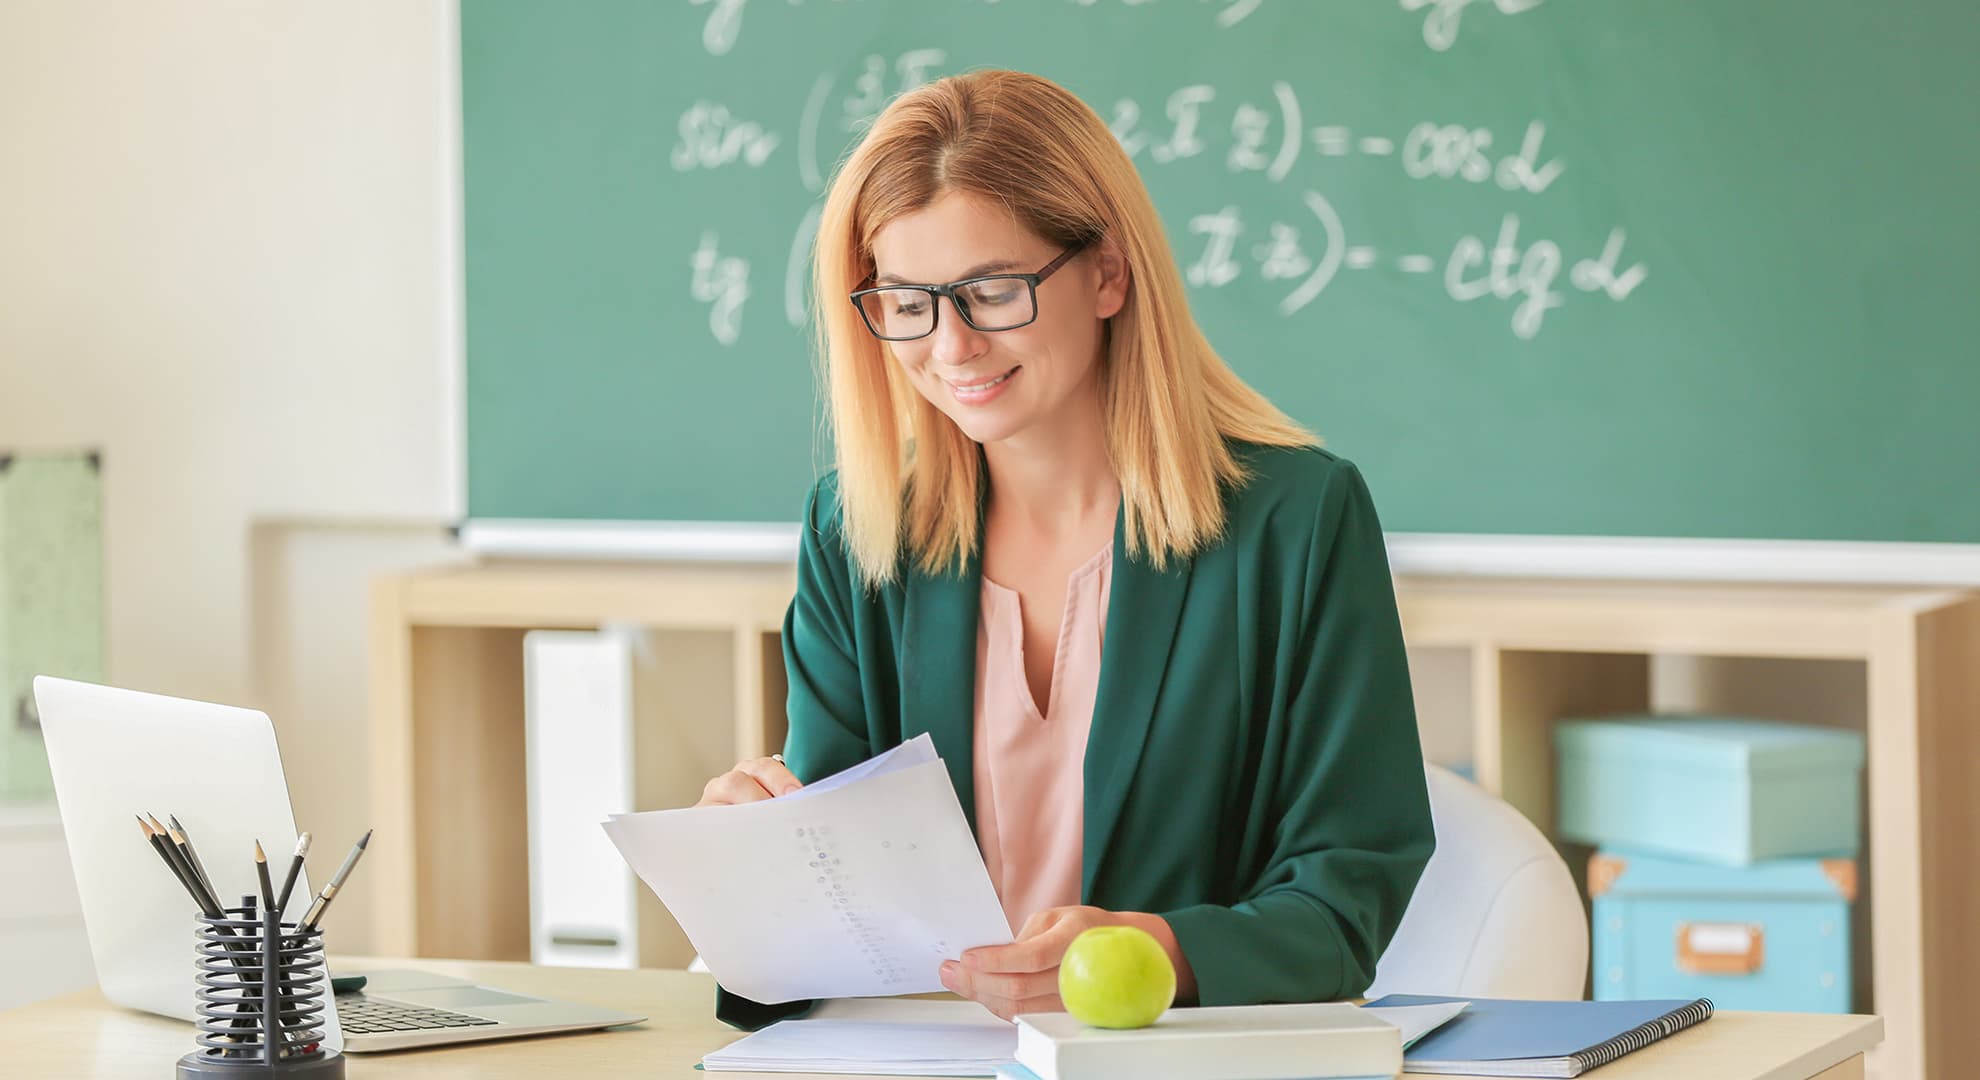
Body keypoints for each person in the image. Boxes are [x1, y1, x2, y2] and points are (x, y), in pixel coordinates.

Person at [696, 69, 1434, 1029]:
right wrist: (753, 868)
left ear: (1108, 274)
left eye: (991, 291)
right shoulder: (857, 535)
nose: (951, 347)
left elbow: (1345, 901)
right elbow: (836, 926)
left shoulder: (1295, 519)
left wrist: (1155, 954)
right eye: (908, 303)